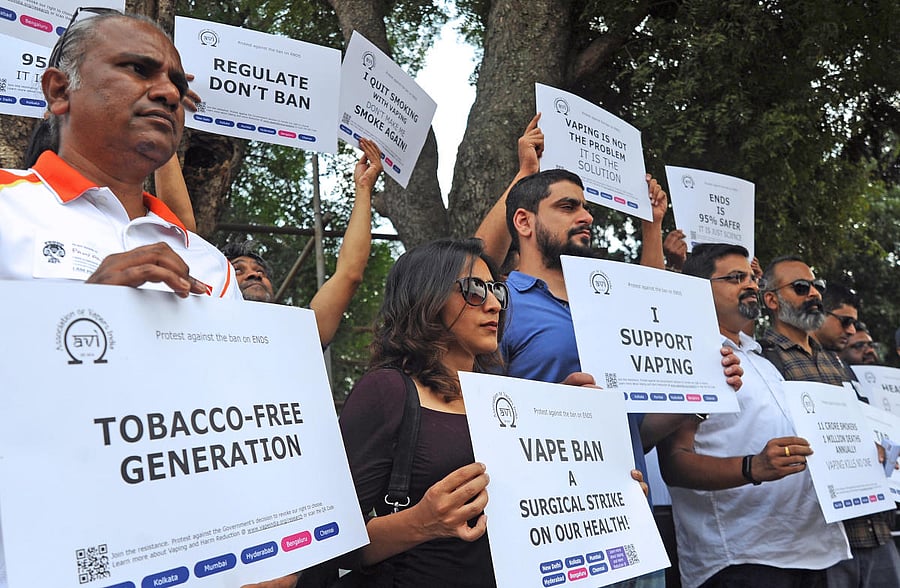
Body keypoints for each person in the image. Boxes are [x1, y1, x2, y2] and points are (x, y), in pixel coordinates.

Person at [337, 238, 649, 586]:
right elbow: (334, 541)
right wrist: (420, 522)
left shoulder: (507, 399)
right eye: (474, 289)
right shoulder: (388, 390)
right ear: (426, 295)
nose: (493, 305)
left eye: (497, 291)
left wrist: (609, 489)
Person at [0, 10, 239, 300]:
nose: (171, 94)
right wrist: (89, 309)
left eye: (178, 84)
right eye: (138, 69)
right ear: (60, 91)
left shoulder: (214, 268)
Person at [657, 243, 850, 588]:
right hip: (742, 559)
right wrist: (752, 467)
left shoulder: (761, 361)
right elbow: (674, 462)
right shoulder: (688, 356)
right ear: (699, 290)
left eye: (751, 277)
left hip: (813, 548)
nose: (750, 285)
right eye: (735, 278)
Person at [758, 257, 900, 587]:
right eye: (800, 287)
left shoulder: (835, 361)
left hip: (875, 529)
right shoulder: (763, 358)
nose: (814, 294)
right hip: (822, 543)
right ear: (771, 300)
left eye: (816, 287)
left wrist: (871, 447)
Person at [221, 138, 384, 346]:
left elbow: (349, 273)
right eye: (237, 270)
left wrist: (363, 188)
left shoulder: (297, 337)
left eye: (261, 272)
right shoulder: (193, 330)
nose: (255, 274)